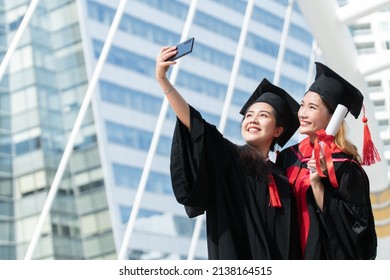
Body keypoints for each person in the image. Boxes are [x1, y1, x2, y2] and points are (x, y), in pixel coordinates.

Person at [156, 45, 301, 259]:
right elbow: (196, 126)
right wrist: (163, 81)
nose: (252, 119)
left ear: (278, 130)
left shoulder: (283, 177)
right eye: (249, 115)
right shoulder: (230, 156)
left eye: (263, 115)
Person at [276, 62, 378, 259]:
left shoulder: (346, 167)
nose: (302, 113)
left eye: (312, 107)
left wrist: (318, 186)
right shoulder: (288, 157)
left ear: (333, 118)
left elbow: (358, 232)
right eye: (302, 105)